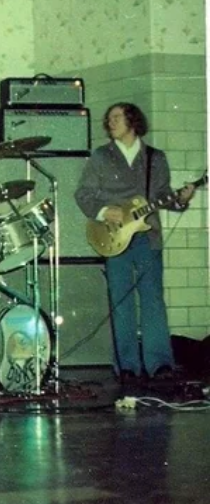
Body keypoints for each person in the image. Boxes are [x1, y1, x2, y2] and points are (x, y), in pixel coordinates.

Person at [75, 102, 195, 385]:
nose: (110, 122)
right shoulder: (101, 156)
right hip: (114, 236)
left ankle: (160, 364)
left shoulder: (155, 158)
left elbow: (164, 195)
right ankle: (126, 366)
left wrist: (182, 199)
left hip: (147, 237)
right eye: (109, 118)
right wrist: (105, 211)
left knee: (153, 301)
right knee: (121, 301)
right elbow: (83, 194)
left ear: (133, 121)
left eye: (116, 117)